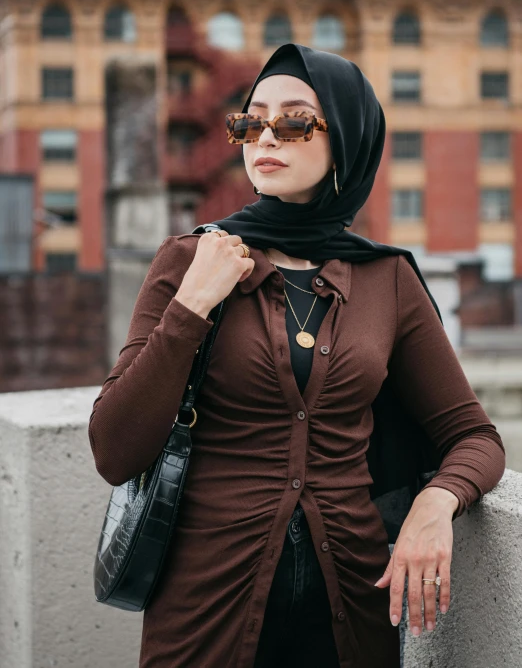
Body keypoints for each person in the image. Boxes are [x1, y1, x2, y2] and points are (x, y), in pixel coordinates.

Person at [88, 43, 506, 668]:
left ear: (348, 140)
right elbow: (114, 448)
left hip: (353, 616)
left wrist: (435, 502)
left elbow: (474, 436)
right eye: (250, 121)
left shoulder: (385, 279)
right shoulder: (190, 260)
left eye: (293, 120)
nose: (265, 137)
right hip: (206, 613)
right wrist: (190, 309)